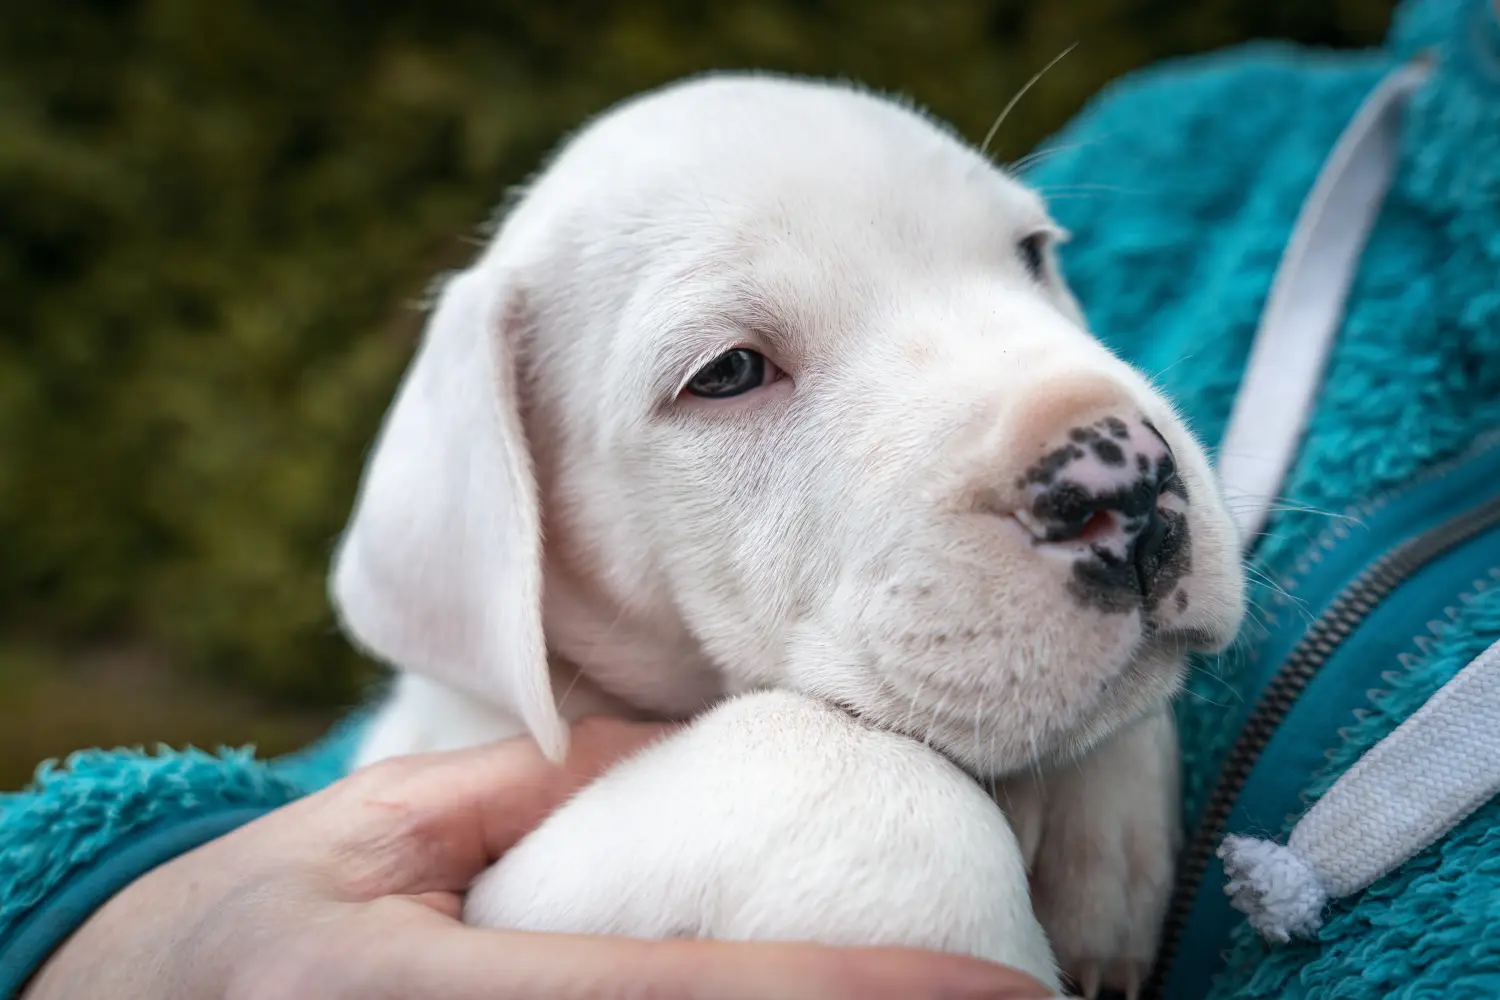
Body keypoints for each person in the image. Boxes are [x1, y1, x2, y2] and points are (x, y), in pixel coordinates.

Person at [3, 0, 1496, 995]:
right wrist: (115, 920)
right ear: (502, 509)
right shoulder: (1229, 151)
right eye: (729, 371)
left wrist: (1116, 711)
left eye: (1028, 258)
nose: (1109, 458)